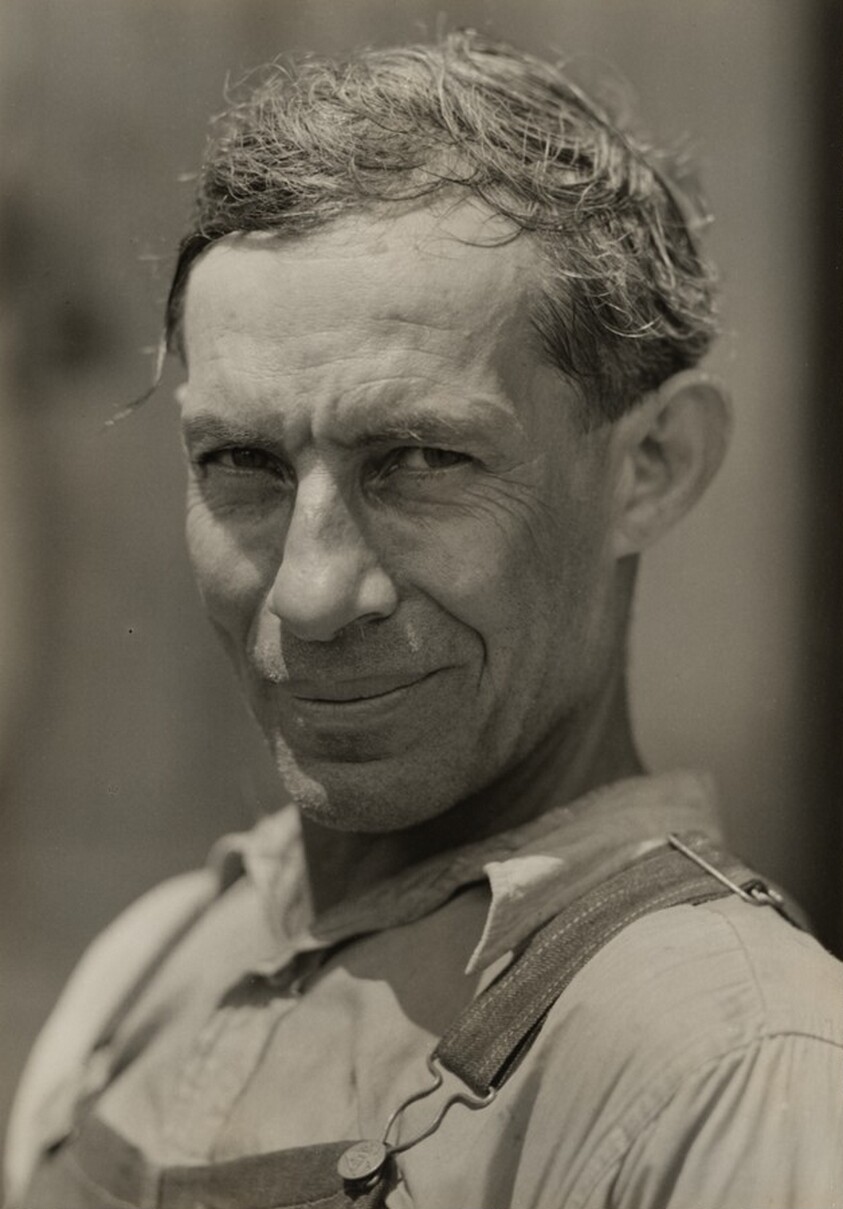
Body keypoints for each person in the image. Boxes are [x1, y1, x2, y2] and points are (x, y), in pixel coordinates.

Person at [5, 31, 843, 1209]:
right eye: (240, 461)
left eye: (417, 459)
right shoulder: (155, 968)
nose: (310, 592)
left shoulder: (736, 1075)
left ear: (652, 465)